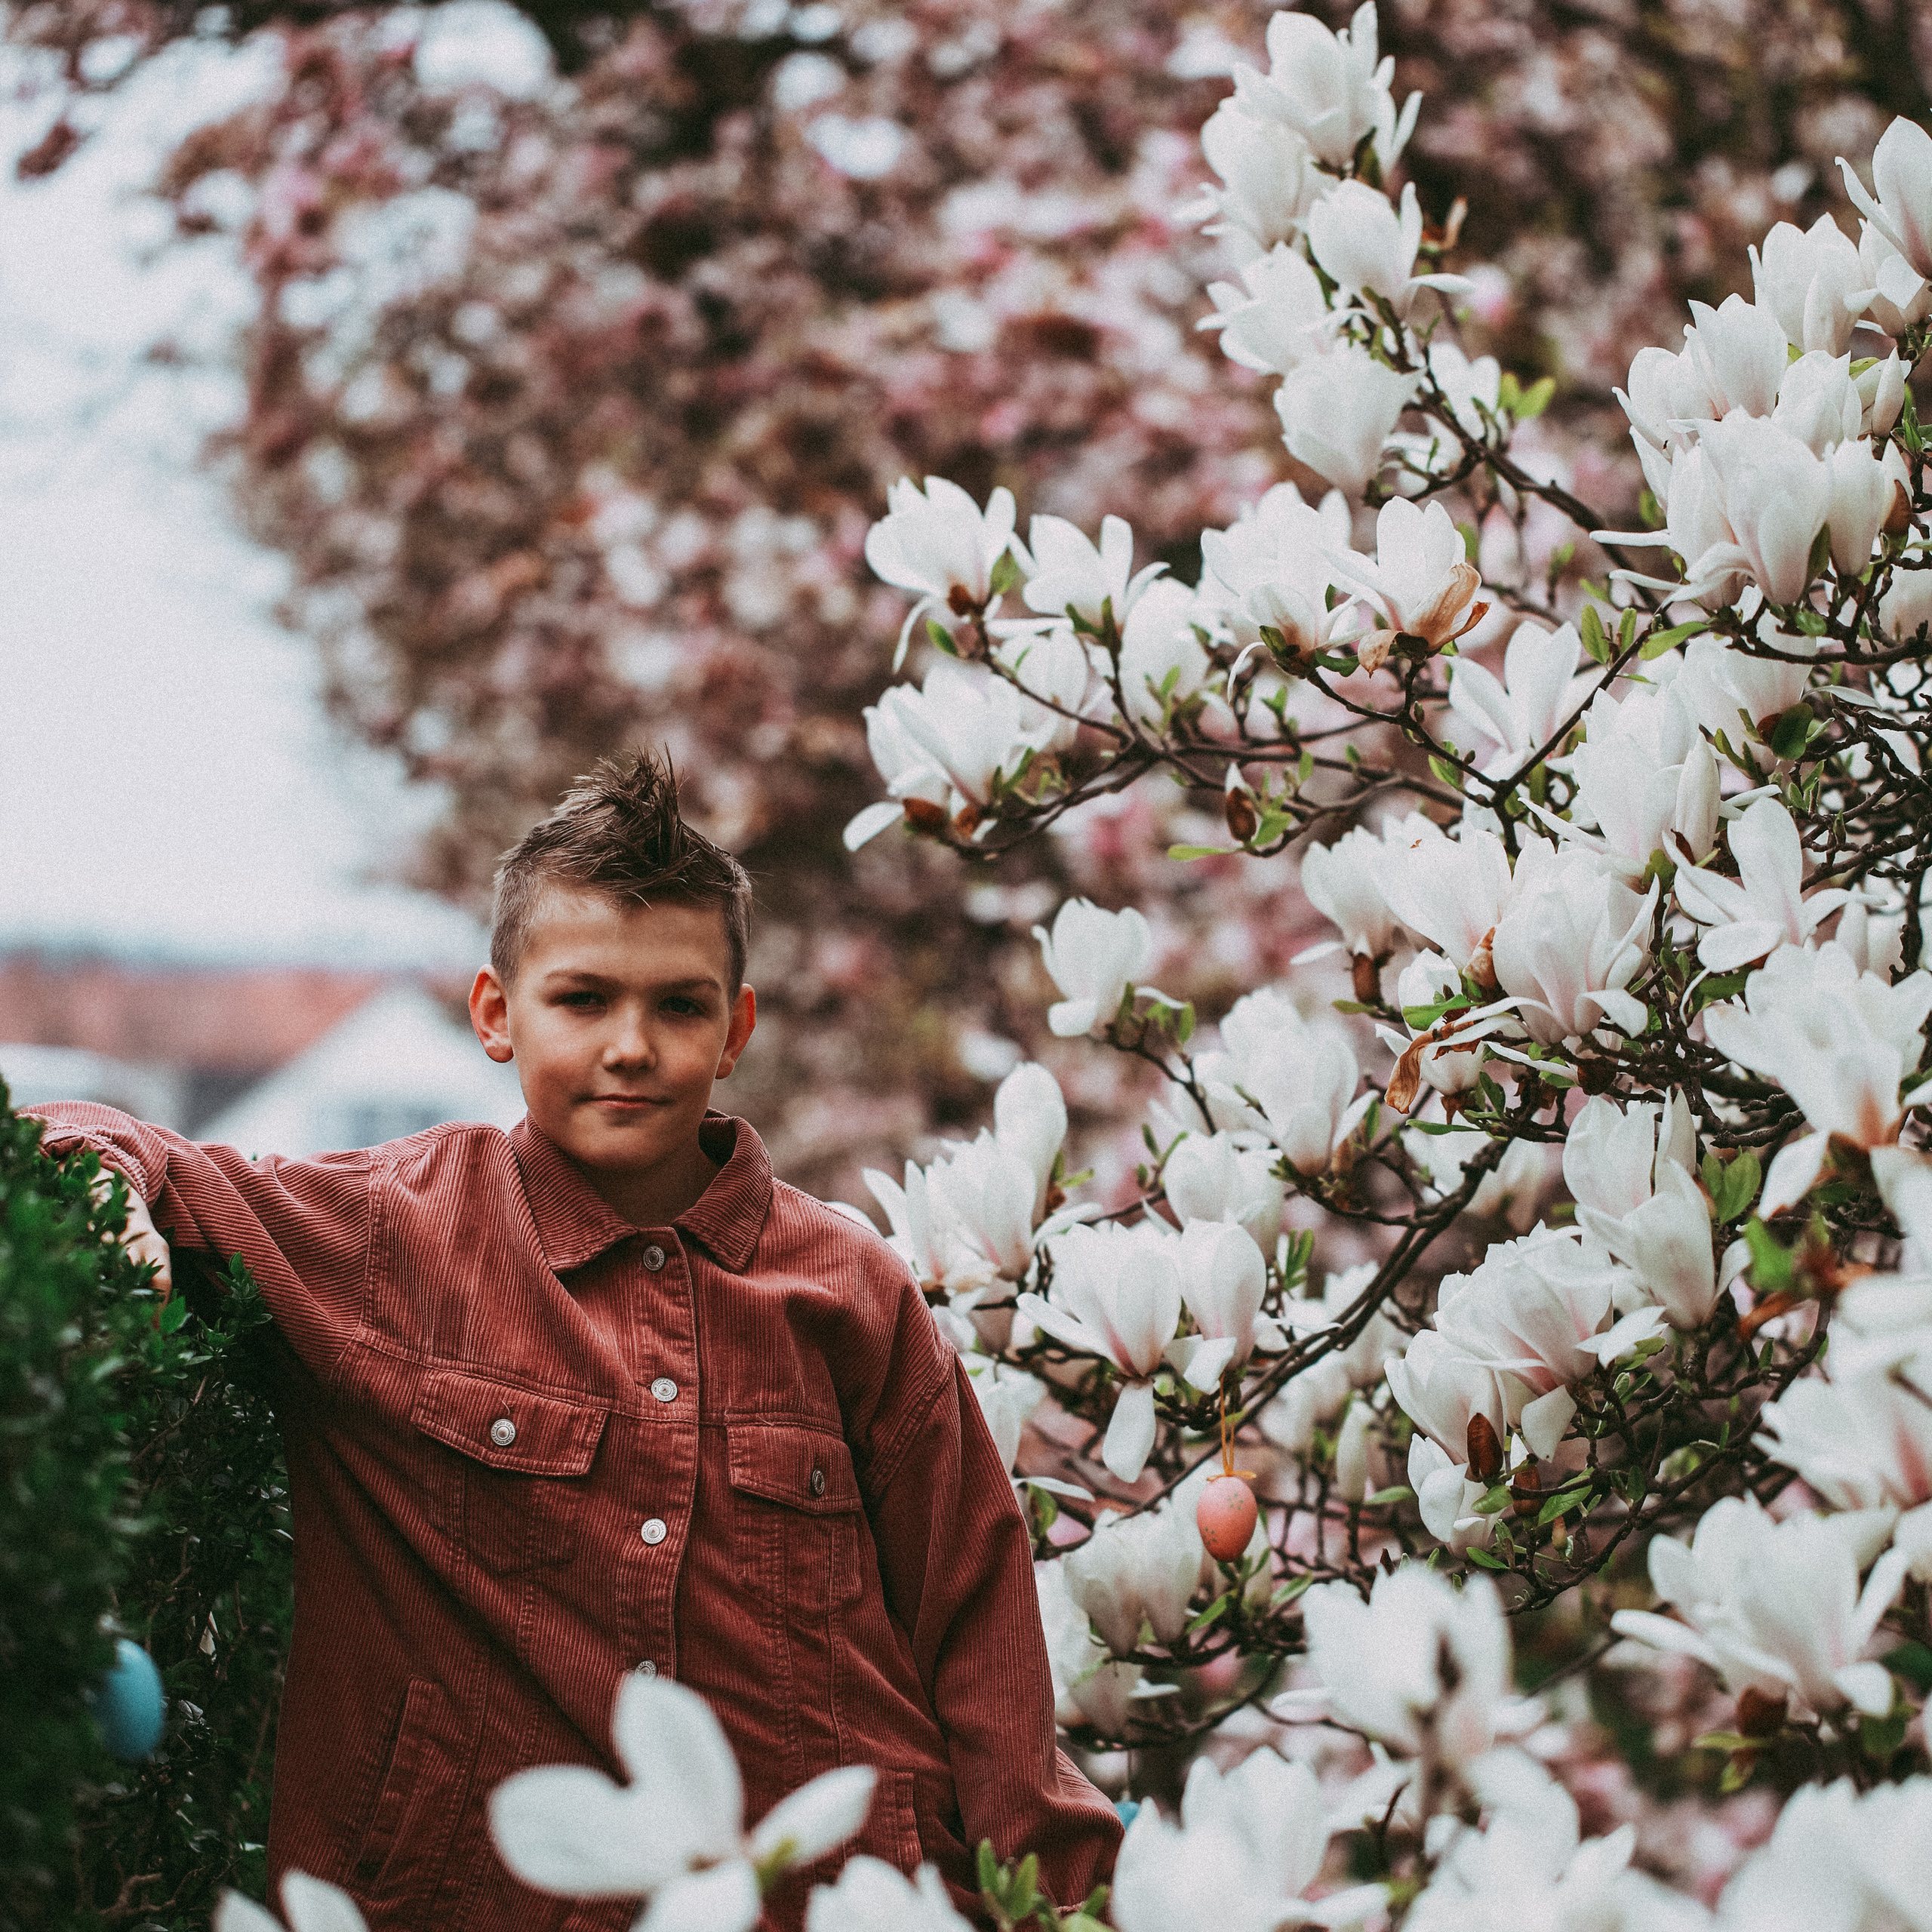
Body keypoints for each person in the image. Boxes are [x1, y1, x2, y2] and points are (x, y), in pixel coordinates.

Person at [28, 752, 1120, 1932]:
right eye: (584, 999)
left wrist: (1053, 1903)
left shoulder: (849, 1290)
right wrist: (109, 1199)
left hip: (834, 1900)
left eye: (679, 1004)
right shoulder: (392, 1236)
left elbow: (976, 1615)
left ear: (736, 1026)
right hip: (474, 1899)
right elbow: (84, 1130)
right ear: (498, 1014)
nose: (633, 1046)